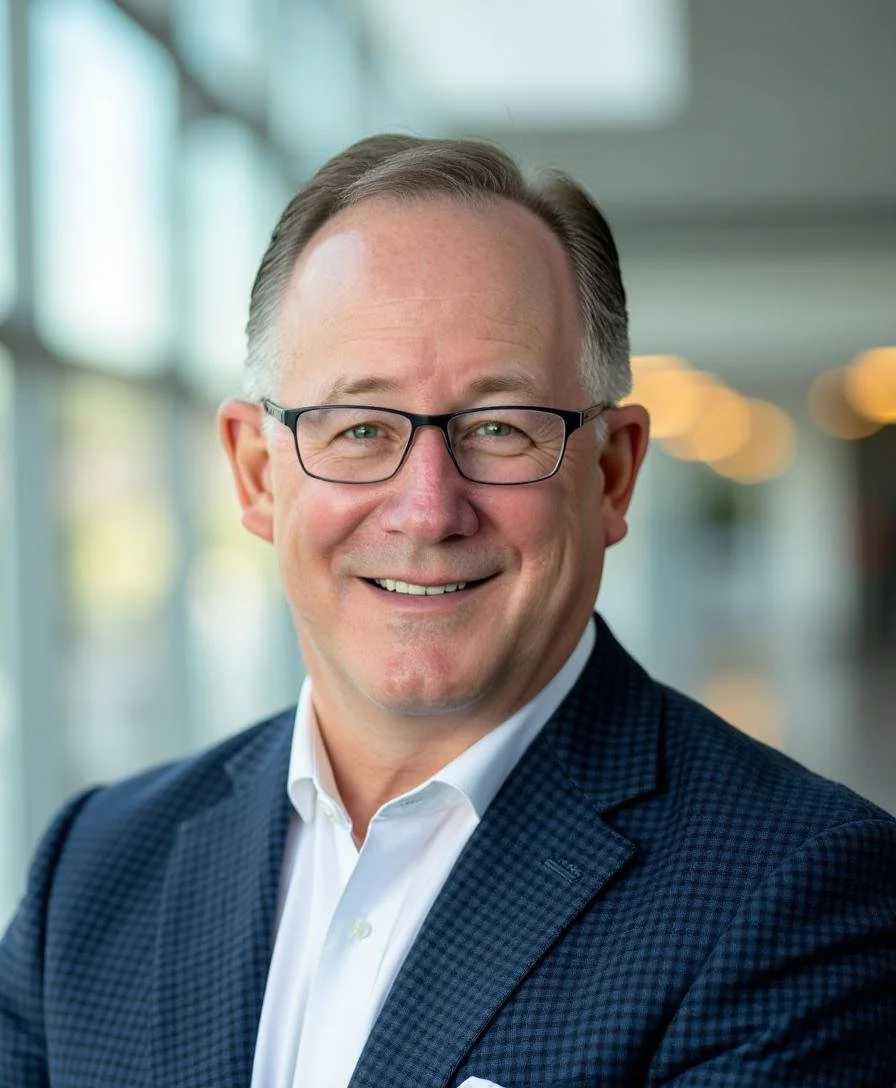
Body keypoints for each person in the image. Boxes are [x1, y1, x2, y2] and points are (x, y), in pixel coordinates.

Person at [1, 134, 895, 1088]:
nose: (427, 508)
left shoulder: (802, 892)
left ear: (612, 473)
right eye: (358, 429)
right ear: (257, 475)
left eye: (499, 428)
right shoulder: (94, 870)